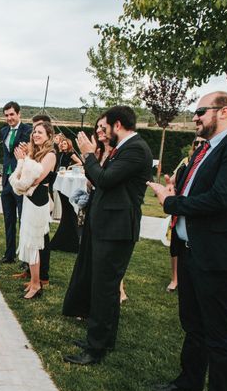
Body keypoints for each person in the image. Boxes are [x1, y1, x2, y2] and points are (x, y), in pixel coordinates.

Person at [147, 91, 227, 391]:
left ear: (223, 112)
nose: (194, 117)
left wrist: (171, 202)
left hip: (218, 253)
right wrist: (176, 187)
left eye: (199, 112)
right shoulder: (203, 149)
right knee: (193, 323)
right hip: (191, 248)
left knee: (220, 335)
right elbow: (197, 191)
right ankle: (189, 381)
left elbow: (222, 199)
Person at [63, 106, 152, 366]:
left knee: (104, 289)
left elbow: (106, 179)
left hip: (117, 229)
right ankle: (104, 338)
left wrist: (89, 155)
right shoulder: (123, 148)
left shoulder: (135, 149)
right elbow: (102, 179)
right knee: (104, 287)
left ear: (118, 124)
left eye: (105, 127)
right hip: (106, 225)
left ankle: (96, 348)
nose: (102, 132)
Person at [12, 122, 56, 299]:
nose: (35, 134)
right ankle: (33, 280)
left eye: (40, 132)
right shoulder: (35, 153)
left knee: (34, 244)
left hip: (38, 204)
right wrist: (25, 159)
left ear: (49, 135)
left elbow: (34, 179)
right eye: (34, 132)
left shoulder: (50, 155)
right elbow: (24, 178)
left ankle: (37, 284)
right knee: (29, 242)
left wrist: (22, 161)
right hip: (29, 201)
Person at [165, 137, 205, 293]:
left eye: (203, 142)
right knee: (175, 248)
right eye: (197, 143)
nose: (200, 145)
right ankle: (175, 279)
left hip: (194, 213)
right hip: (179, 213)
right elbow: (174, 181)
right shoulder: (186, 162)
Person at [0, 101, 32, 264]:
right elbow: (7, 154)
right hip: (7, 181)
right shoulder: (3, 131)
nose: (9, 118)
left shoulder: (28, 131)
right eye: (6, 115)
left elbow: (30, 151)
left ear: (19, 114)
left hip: (21, 180)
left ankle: (25, 258)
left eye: (12, 114)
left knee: (23, 220)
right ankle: (9, 255)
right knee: (8, 219)